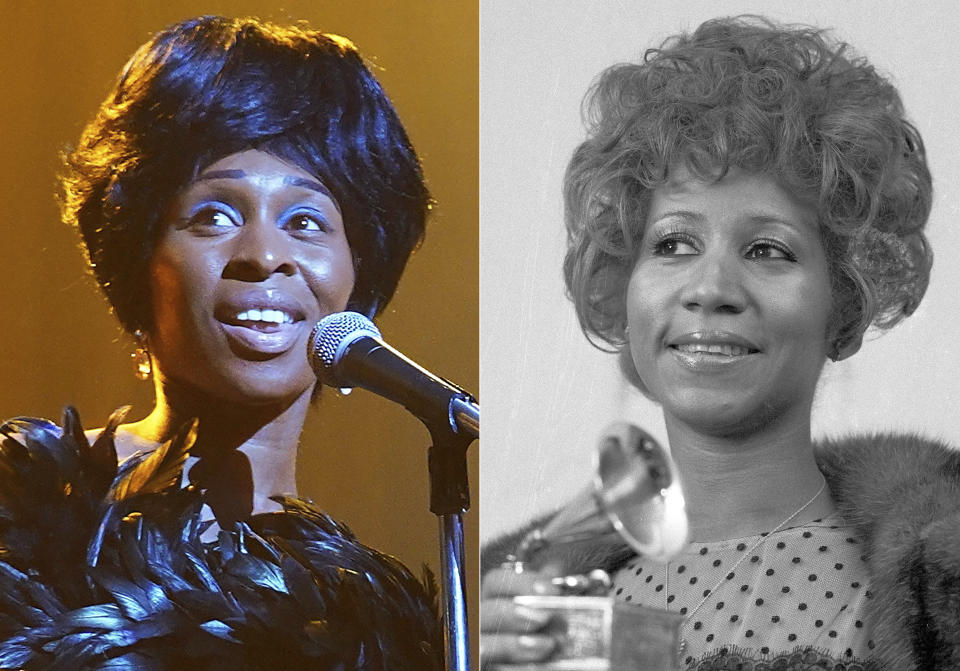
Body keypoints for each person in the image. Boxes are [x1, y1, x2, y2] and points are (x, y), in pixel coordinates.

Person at [481, 15, 960, 670]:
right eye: (673, 243)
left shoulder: (931, 590)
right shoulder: (535, 615)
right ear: (622, 283)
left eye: (768, 249)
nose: (710, 288)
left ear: (844, 299)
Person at [0, 16, 443, 669]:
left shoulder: (378, 625)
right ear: (138, 256)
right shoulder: (21, 509)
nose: (265, 254)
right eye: (215, 214)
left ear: (357, 273)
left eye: (306, 220)